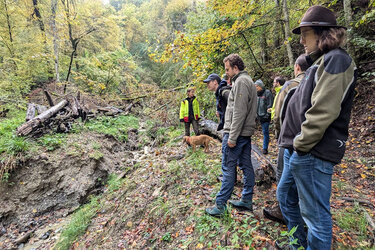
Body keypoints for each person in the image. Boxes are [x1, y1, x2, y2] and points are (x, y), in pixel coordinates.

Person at [277, 6, 357, 249]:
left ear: (323, 33)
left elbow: (324, 111)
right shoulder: (320, 61)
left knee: (317, 218)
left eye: (305, 33)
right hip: (300, 150)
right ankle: (298, 245)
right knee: (285, 197)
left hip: (312, 151)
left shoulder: (337, 60)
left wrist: (301, 143)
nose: (301, 41)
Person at [205, 54, 257, 216]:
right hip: (245, 133)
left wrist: (232, 137)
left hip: (236, 133)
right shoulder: (247, 81)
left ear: (236, 68)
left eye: (228, 69)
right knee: (246, 165)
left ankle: (220, 205)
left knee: (228, 167)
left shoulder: (241, 82)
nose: (226, 73)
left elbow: (239, 112)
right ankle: (246, 200)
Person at [263, 54, 310, 225]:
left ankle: (284, 212)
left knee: (283, 176)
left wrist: (279, 136)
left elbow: (279, 115)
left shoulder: (291, 85)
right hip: (310, 139)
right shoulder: (317, 82)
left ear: (297, 67)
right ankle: (301, 214)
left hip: (289, 139)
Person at [254, 80, 273, 154]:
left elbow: (270, 105)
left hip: (265, 117)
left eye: (257, 86)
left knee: (265, 132)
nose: (256, 88)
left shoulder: (267, 93)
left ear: (260, 86)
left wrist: (267, 116)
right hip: (258, 116)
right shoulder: (256, 94)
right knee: (262, 132)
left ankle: (265, 148)